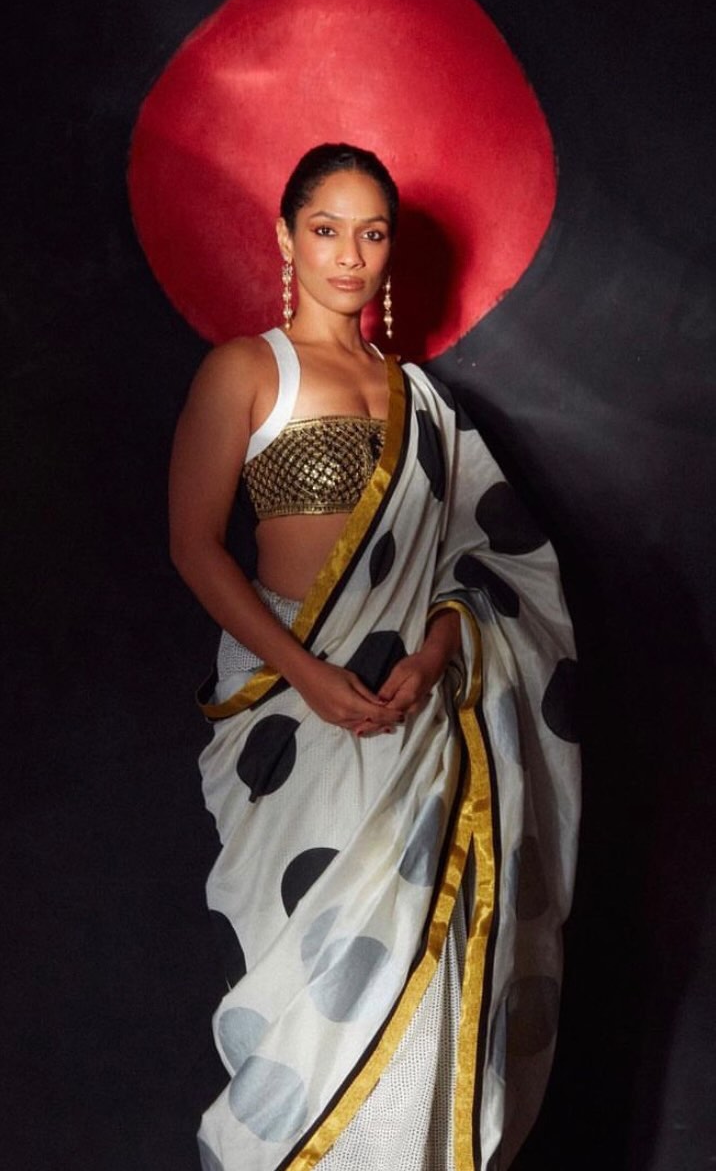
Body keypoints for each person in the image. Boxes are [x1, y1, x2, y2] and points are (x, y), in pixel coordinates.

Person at [169, 143, 580, 1171]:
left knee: (426, 975)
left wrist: (436, 652)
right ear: (285, 238)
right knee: (317, 992)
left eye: (372, 233)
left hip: (413, 722)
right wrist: (310, 676)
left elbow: (485, 560)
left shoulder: (421, 401)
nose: (349, 255)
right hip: (290, 714)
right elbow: (193, 546)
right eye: (326, 229)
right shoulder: (245, 370)